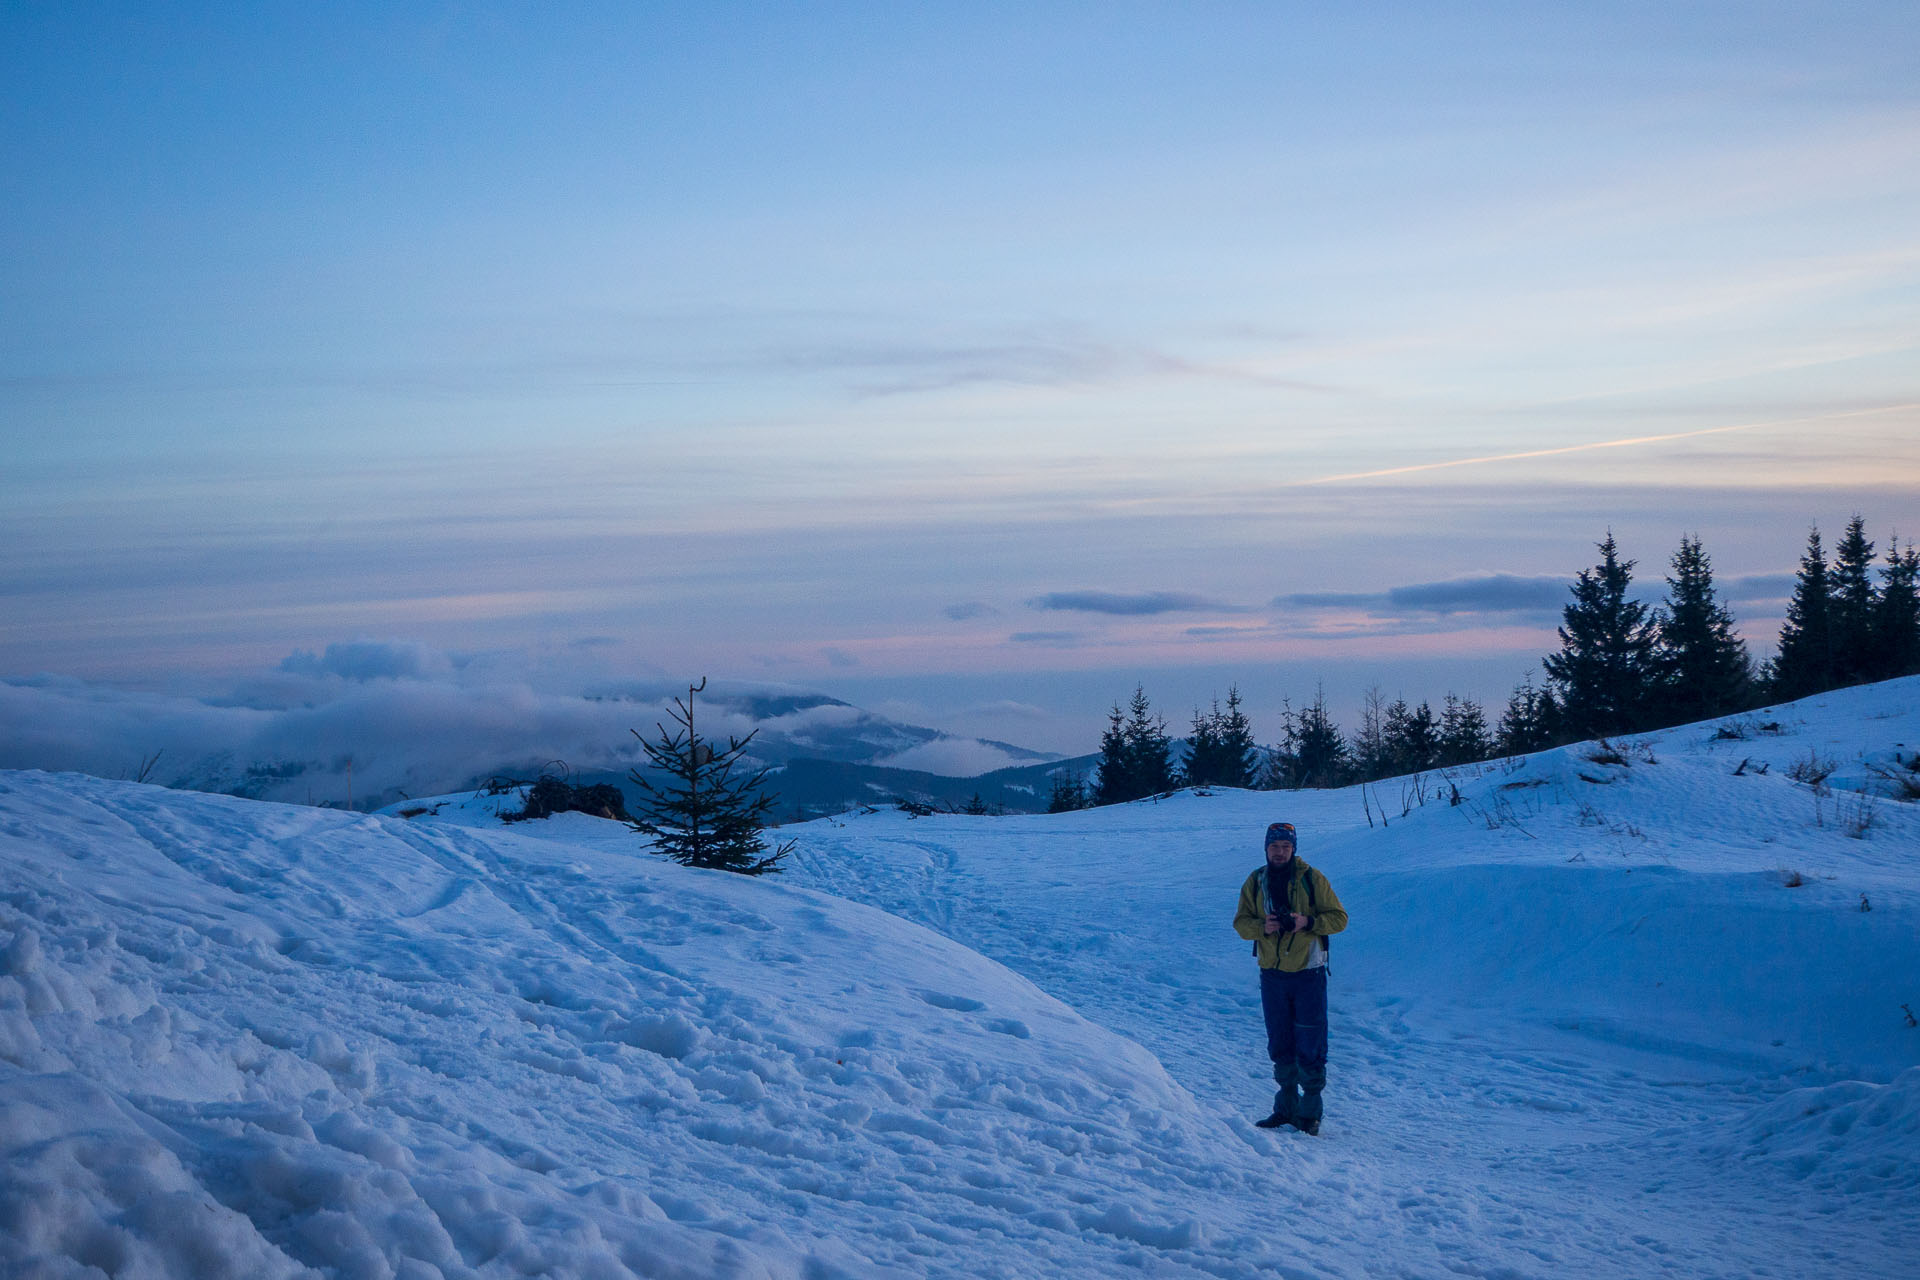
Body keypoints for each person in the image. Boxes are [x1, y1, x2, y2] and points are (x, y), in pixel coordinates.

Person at [1233, 821, 1347, 1134]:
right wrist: (1262, 928)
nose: (1280, 852)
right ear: (1266, 848)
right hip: (1271, 974)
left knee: (1310, 1040)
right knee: (1280, 1040)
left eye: (1285, 846)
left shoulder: (1312, 878)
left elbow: (1339, 919)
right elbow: (1241, 923)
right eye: (1274, 846)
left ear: (1293, 848)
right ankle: (1285, 1108)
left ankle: (1309, 1114)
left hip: (1308, 972)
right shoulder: (1256, 881)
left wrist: (1307, 921)